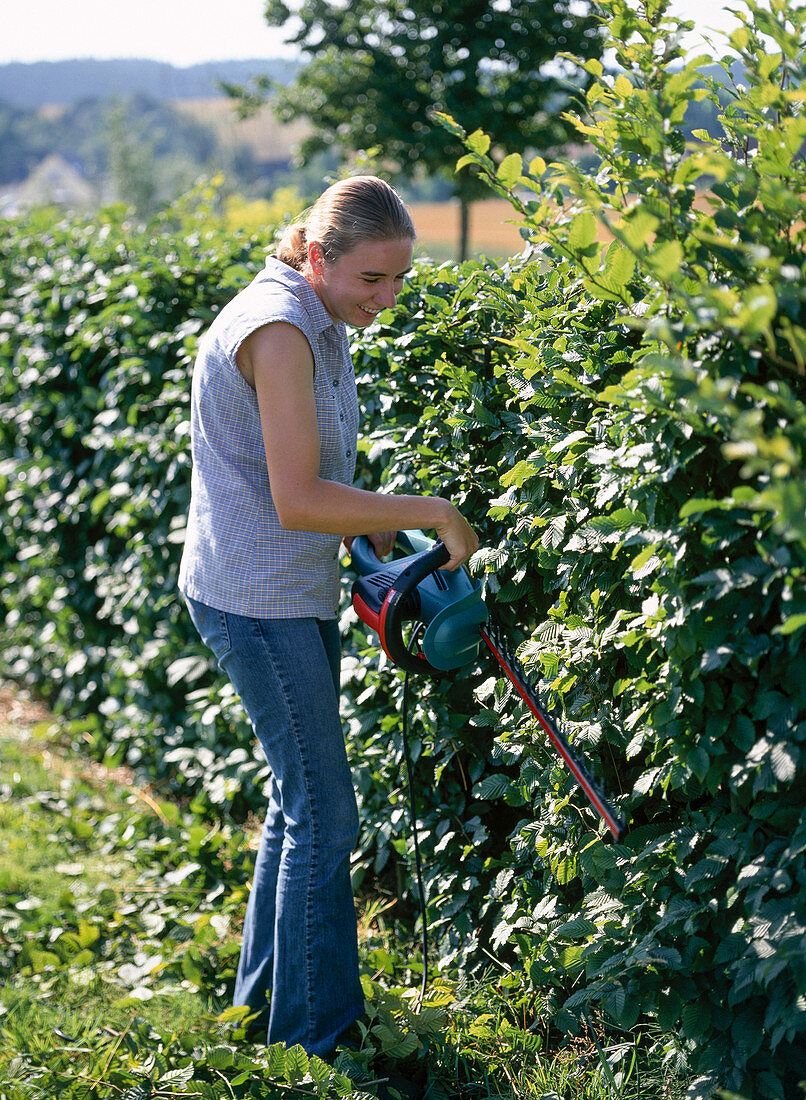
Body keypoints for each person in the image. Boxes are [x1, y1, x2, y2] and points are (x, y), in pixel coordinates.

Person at [178, 175, 478, 1059]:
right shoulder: (278, 332)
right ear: (317, 255)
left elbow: (324, 478)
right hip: (256, 599)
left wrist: (389, 537)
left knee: (297, 801)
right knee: (326, 815)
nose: (385, 301)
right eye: (371, 281)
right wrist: (433, 514)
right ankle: (317, 1041)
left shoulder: (319, 317)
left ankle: (267, 1010)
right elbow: (300, 499)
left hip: (285, 590)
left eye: (398, 282)